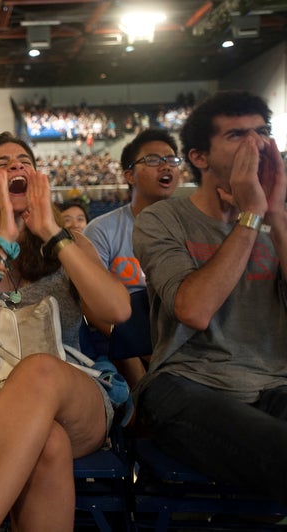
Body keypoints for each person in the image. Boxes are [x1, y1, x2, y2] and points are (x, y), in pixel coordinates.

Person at [0, 131, 130, 531]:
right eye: (2, 163)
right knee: (48, 444)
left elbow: (118, 310)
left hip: (71, 391)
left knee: (39, 370)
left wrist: (52, 235)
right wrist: (3, 241)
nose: (16, 166)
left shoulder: (71, 242)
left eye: (25, 161)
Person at [132, 90, 287, 503]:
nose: (257, 145)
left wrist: (275, 216)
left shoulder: (278, 219)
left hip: (274, 384)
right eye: (238, 135)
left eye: (263, 132)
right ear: (199, 158)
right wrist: (251, 218)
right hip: (188, 385)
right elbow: (193, 310)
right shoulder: (162, 218)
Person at [83, 128, 180, 388]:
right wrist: (134, 353)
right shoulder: (102, 230)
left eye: (172, 160)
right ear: (130, 175)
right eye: (152, 160)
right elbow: (88, 303)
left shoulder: (191, 230)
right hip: (123, 342)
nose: (165, 166)